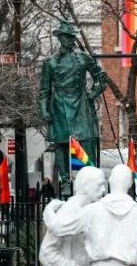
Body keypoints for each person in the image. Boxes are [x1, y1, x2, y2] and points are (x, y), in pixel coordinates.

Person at [38, 21, 108, 187]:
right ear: (60, 38)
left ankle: (90, 177)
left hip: (81, 104)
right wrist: (44, 109)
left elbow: (101, 79)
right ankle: (66, 181)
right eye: (67, 37)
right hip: (59, 106)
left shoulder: (84, 58)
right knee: (61, 143)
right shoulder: (50, 62)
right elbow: (44, 90)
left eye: (72, 37)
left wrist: (91, 95)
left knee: (87, 140)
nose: (71, 40)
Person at [39, 167, 107, 266]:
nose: (103, 189)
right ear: (86, 186)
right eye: (99, 185)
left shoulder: (91, 210)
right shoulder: (67, 211)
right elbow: (46, 253)